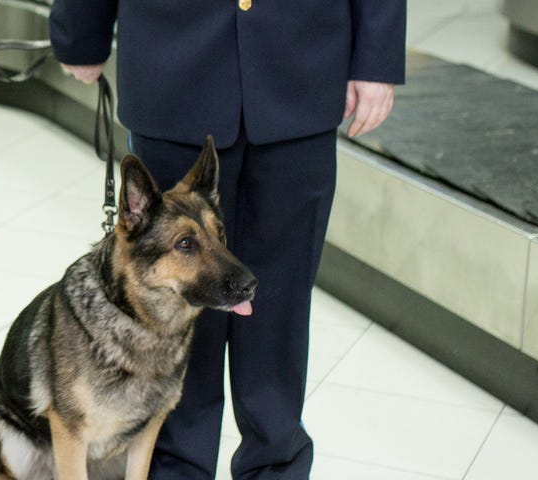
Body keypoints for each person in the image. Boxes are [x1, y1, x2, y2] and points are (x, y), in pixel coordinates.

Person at [49, 0, 404, 478]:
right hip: (171, 63)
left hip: (300, 64)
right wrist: (81, 26)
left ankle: (276, 465)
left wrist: (377, 57)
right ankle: (176, 468)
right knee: (170, 301)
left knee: (279, 300)